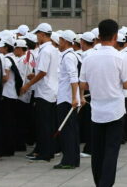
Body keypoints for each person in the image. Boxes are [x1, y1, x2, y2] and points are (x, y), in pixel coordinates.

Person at [80, 19, 127, 187]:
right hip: (115, 110)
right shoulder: (121, 57)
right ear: (115, 36)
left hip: (96, 111)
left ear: (98, 36)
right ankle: (105, 184)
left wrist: (97, 84)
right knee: (111, 151)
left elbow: (83, 84)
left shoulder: (89, 57)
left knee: (98, 151)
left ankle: (99, 182)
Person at [21, 23, 59, 163]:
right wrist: (34, 76)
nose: (36, 37)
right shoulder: (53, 49)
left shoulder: (45, 50)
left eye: (38, 34)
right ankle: (47, 151)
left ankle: (45, 153)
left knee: (43, 125)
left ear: (43, 35)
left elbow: (43, 72)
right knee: (48, 124)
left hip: (44, 92)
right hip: (51, 90)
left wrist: (28, 85)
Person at [55, 30, 83, 169]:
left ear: (65, 41)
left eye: (60, 41)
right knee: (71, 130)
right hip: (67, 98)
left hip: (67, 100)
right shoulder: (70, 55)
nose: (58, 43)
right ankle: (72, 159)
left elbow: (74, 77)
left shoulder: (68, 57)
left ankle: (69, 160)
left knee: (68, 131)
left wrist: (74, 98)